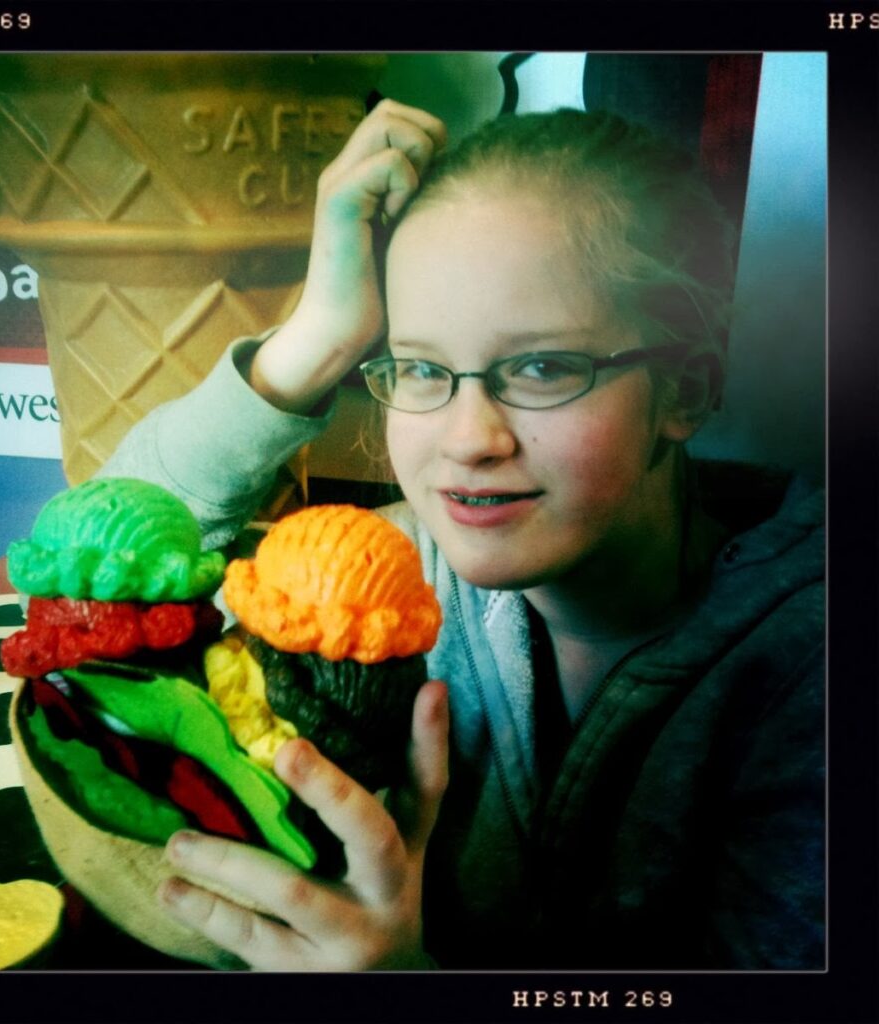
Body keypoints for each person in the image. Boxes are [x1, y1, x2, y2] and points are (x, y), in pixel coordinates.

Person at [98, 100, 824, 970]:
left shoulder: (808, 665)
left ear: (686, 392)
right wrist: (317, 338)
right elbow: (92, 575)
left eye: (544, 366)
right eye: (419, 368)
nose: (469, 439)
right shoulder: (381, 585)